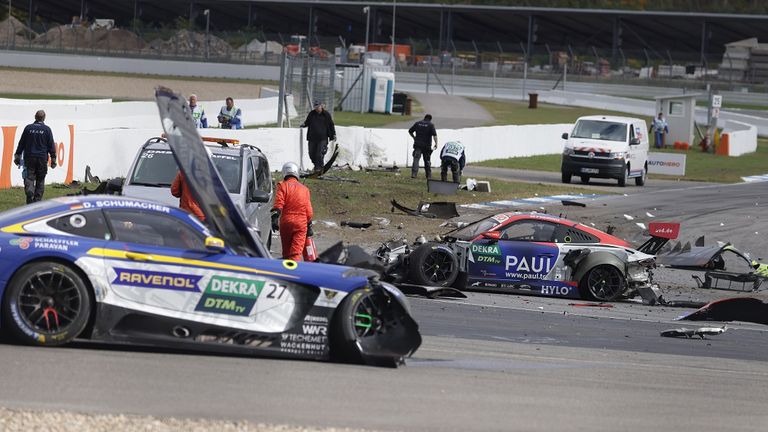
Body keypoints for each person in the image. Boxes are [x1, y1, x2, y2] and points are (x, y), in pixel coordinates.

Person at [271, 162, 314, 261]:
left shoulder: (282, 186)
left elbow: (279, 203)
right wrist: (309, 225)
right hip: (301, 224)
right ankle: (293, 273)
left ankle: (285, 273)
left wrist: (275, 218)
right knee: (295, 253)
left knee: (286, 253)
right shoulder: (305, 189)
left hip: (286, 223)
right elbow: (309, 211)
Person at [14, 110, 57, 204]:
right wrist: (53, 159)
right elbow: (51, 146)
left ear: (35, 117)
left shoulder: (28, 128)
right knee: (40, 180)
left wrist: (17, 156)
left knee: (29, 177)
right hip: (42, 158)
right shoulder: (47, 129)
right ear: (44, 118)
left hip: (29, 157)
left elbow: (21, 143)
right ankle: (37, 202)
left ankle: (29, 191)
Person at [301, 100, 336, 173]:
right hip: (312, 138)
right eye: (315, 106)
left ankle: (318, 168)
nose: (317, 108)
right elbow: (307, 122)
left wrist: (333, 134)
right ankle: (317, 165)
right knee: (311, 153)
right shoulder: (312, 114)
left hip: (322, 138)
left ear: (321, 106)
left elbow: (331, 125)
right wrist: (304, 124)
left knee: (319, 154)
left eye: (318, 106)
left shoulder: (326, 114)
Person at [408, 114, 438, 179]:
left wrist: (414, 138)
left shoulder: (417, 123)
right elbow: (434, 135)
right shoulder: (431, 125)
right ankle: (428, 176)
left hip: (418, 145)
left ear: (424, 118)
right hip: (426, 146)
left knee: (416, 159)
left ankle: (414, 174)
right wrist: (436, 143)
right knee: (427, 160)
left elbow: (410, 131)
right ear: (430, 119)